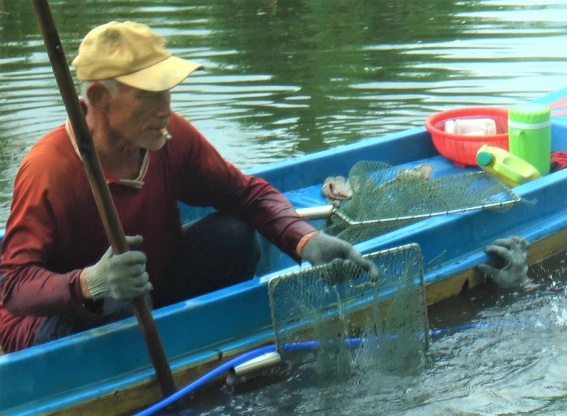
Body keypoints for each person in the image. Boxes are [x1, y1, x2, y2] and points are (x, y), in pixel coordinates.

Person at [0, 21, 376, 353]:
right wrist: (90, 283)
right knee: (112, 312)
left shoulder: (169, 136)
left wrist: (305, 240)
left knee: (235, 235)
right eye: (149, 96)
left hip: (148, 289)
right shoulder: (49, 167)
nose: (166, 107)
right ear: (98, 98)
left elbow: (244, 194)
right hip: (65, 320)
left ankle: (205, 340)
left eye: (167, 91)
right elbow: (13, 285)